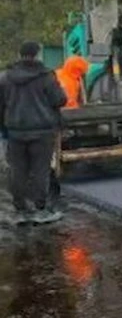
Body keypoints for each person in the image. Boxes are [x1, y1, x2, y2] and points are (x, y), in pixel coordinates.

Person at [0, 42, 67, 225]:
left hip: (15, 132)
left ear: (19, 54)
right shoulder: (46, 77)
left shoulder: (5, 78)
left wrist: (4, 129)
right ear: (37, 55)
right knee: (40, 170)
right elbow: (60, 100)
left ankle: (20, 210)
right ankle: (40, 209)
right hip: (43, 132)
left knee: (17, 171)